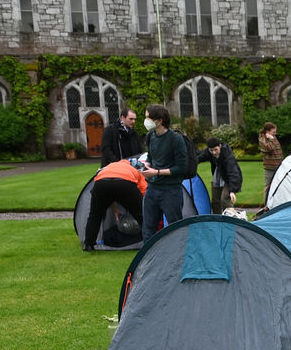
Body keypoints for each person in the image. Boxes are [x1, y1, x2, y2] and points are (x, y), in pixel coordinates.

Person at [139, 104, 189, 240]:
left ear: (159, 120)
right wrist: (146, 165)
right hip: (152, 189)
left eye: (148, 117)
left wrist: (157, 172)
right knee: (148, 229)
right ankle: (148, 260)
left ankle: (177, 258)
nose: (146, 120)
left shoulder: (176, 139)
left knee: (175, 228)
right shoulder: (150, 136)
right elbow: (151, 156)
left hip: (171, 191)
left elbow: (181, 168)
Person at [82, 159, 146, 250]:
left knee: (95, 215)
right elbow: (144, 190)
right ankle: (151, 240)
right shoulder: (134, 170)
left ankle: (88, 244)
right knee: (141, 215)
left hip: (101, 184)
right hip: (124, 183)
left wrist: (115, 210)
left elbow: (107, 197)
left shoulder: (107, 167)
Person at [197, 136, 242, 214]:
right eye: (211, 150)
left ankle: (230, 219)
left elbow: (232, 172)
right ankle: (217, 220)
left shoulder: (227, 154)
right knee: (215, 200)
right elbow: (198, 158)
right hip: (217, 177)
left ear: (220, 146)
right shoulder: (208, 152)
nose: (214, 152)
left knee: (225, 199)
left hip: (229, 178)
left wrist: (232, 190)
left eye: (216, 149)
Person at [258, 122, 283, 205]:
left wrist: (272, 138)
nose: (275, 134)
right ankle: (266, 206)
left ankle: (276, 204)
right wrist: (272, 139)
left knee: (279, 187)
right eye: (273, 132)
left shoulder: (273, 137)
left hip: (278, 167)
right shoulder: (262, 139)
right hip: (269, 168)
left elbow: (277, 148)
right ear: (267, 131)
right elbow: (270, 148)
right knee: (268, 187)